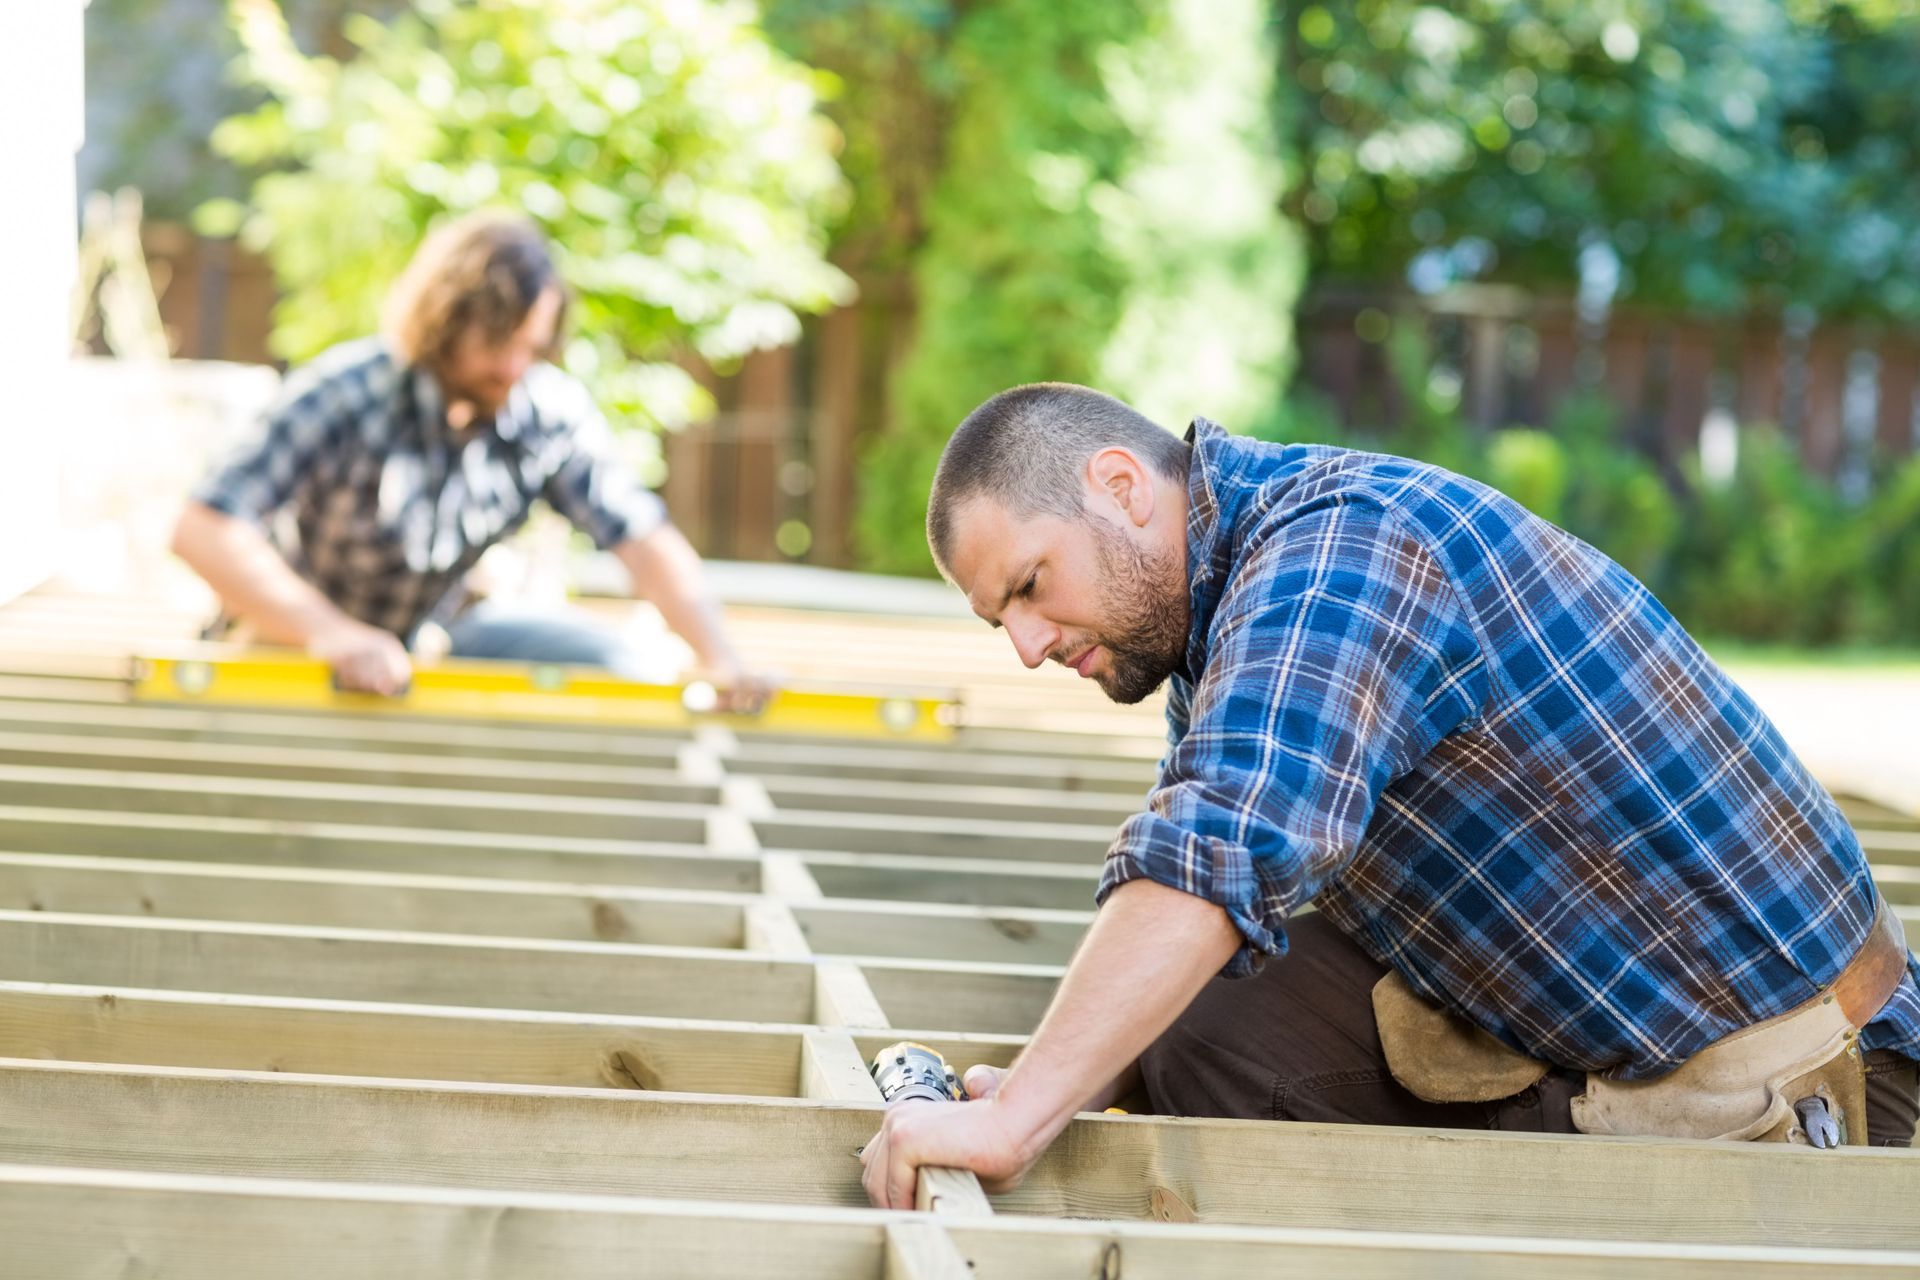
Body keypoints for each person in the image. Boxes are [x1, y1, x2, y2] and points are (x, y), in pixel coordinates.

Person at [860, 381, 1920, 1209]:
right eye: (1003, 621)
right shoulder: (1222, 620)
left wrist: (1016, 1126)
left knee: (1200, 1006)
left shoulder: (1342, 551)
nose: (1032, 647)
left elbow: (1223, 837)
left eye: (1033, 586)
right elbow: (1209, 905)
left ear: (1123, 487)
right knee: (1204, 1024)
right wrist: (1055, 1087)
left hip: (1807, 1092)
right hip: (1608, 1038)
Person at [172, 211, 761, 699]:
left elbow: (642, 536)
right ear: (442, 322)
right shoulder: (348, 392)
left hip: (427, 639)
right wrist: (333, 635)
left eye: (529, 348)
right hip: (292, 638)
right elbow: (203, 528)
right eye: (495, 344)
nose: (511, 367)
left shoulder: (543, 410)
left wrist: (721, 658)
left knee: (625, 665)